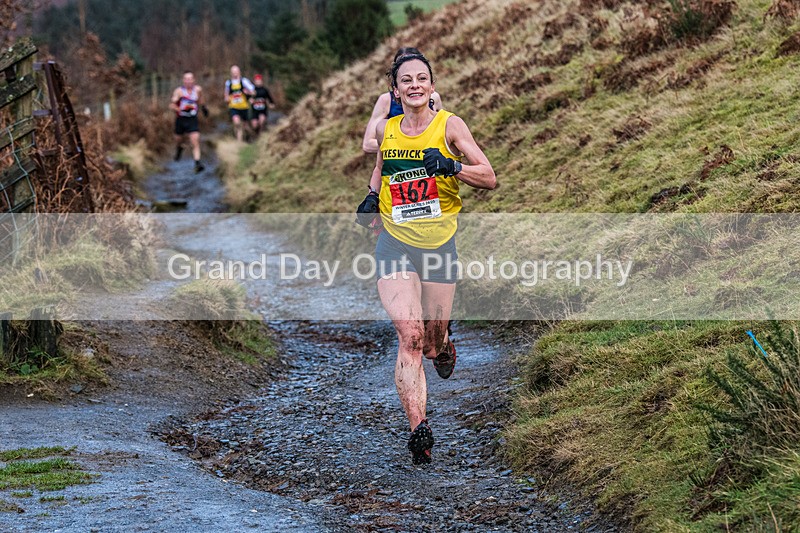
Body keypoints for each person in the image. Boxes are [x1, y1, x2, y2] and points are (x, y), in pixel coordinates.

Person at [356, 53, 496, 465]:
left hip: (438, 246)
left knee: (432, 346)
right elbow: (381, 170)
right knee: (410, 337)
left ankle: (446, 340)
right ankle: (419, 429)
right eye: (406, 80)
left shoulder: (449, 125)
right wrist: (370, 197)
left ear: (432, 86)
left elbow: (488, 176)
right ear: (395, 90)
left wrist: (452, 166)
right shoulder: (387, 129)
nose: (415, 85)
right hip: (394, 244)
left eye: (422, 78)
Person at [361, 47, 443, 154]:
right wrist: (402, 147)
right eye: (401, 65)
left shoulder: (434, 97)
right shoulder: (386, 100)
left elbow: (443, 130)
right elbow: (367, 144)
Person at [170, 71, 208, 173]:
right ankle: (179, 149)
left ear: (194, 80)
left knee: (195, 140)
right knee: (178, 140)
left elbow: (200, 100)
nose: (188, 81)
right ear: (183, 81)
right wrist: (177, 109)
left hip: (192, 119)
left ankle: (197, 163)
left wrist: (204, 108)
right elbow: (172, 104)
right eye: (186, 79)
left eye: (190, 79)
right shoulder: (179, 91)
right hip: (181, 119)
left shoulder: (198, 90)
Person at [224, 65, 255, 142]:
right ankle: (239, 142)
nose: (235, 73)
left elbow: (253, 92)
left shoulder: (244, 81)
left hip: (244, 106)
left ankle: (250, 136)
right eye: (233, 72)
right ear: (231, 73)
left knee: (245, 126)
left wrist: (249, 94)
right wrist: (226, 98)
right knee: (237, 123)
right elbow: (226, 93)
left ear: (239, 72)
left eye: (236, 71)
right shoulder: (228, 83)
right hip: (234, 106)